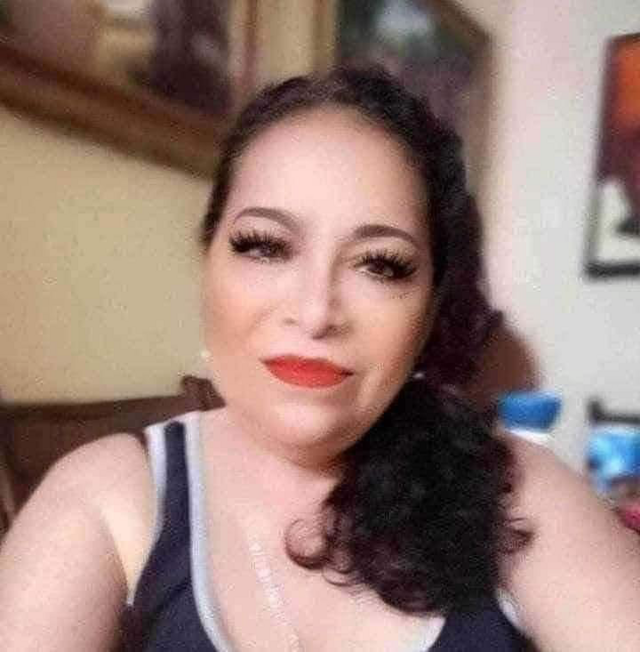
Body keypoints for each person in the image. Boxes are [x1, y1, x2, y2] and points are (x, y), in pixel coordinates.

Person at [1, 68, 639, 652]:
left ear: (428, 309)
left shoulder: (517, 490)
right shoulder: (110, 496)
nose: (315, 313)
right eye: (266, 246)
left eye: (380, 264)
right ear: (207, 264)